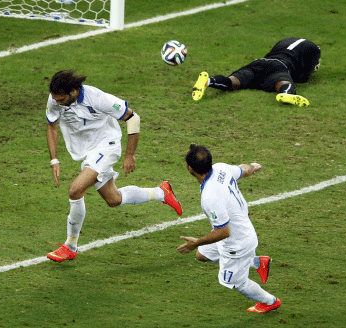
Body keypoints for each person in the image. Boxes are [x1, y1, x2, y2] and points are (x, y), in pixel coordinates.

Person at [45, 69, 182, 262]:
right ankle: (161, 192)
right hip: (87, 153)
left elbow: (133, 118)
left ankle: (70, 246)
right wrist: (54, 160)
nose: (57, 104)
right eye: (55, 100)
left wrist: (130, 155)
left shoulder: (98, 98)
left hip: (106, 147)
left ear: (73, 92)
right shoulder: (55, 99)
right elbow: (51, 125)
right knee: (114, 199)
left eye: (61, 100)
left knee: (75, 190)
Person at [177, 144, 281, 313]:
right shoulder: (220, 168)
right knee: (202, 255)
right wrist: (253, 167)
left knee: (235, 282)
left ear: (190, 168)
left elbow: (223, 232)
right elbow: (243, 170)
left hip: (237, 244)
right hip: (240, 233)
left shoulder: (210, 197)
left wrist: (195, 242)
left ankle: (270, 302)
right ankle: (257, 262)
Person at [192, 37, 321, 107]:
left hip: (259, 62)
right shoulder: (314, 49)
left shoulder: (285, 40)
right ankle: (286, 94)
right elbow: (302, 78)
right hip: (279, 66)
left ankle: (208, 81)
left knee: (233, 81)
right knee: (284, 82)